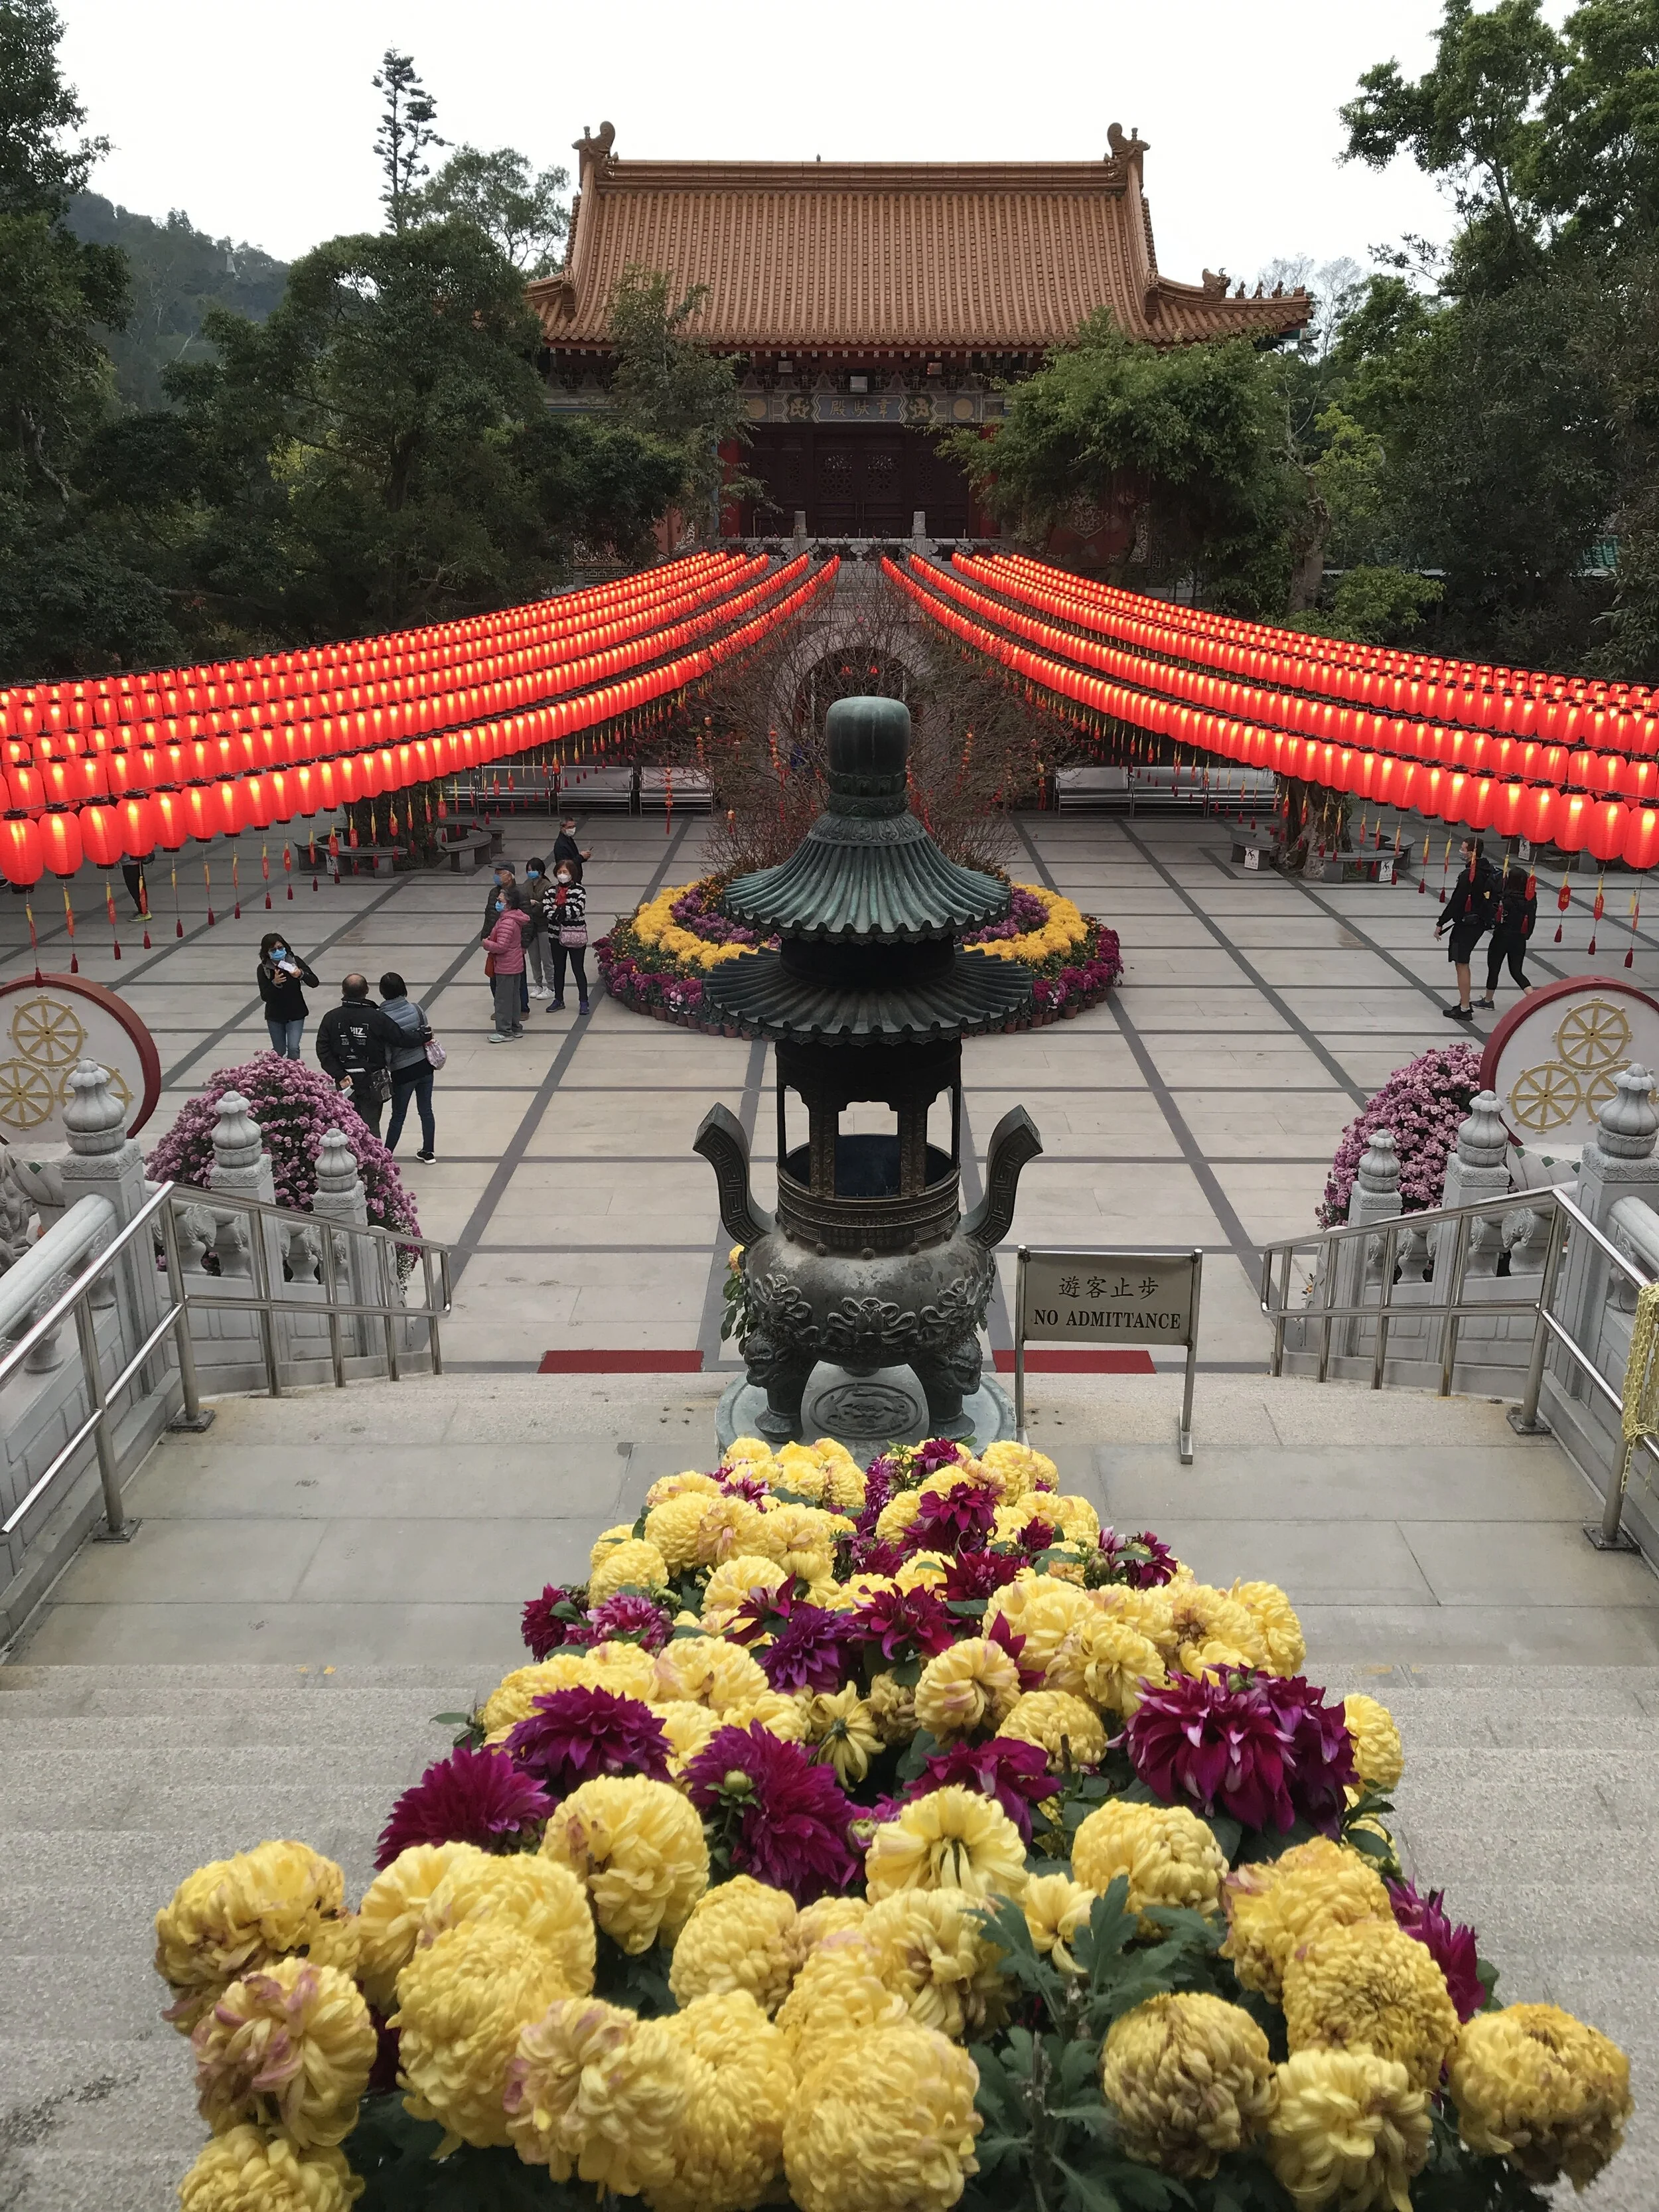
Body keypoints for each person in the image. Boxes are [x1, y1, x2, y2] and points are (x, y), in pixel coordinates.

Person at [315, 974, 403, 1135]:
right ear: (367, 991)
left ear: (343, 991)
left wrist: (339, 1074)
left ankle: (352, 1156)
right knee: (371, 1127)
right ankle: (374, 1158)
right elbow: (400, 1038)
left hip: (344, 1082)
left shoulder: (331, 1018)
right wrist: (424, 1036)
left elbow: (323, 1050)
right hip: (372, 1081)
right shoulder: (376, 1017)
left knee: (347, 1126)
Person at [1435, 836, 1498, 1021]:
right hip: (1479, 922)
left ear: (1472, 852)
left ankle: (1464, 1008)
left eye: (1463, 849)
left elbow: (1457, 901)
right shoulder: (1488, 869)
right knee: (1463, 961)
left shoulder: (1469, 876)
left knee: (1461, 963)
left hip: (1466, 923)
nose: (1461, 852)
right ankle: (1464, 1002)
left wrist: (1441, 922)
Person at [378, 973, 437, 1160]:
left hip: (402, 1072)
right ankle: (429, 1152)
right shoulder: (416, 1009)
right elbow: (426, 1033)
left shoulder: (382, 1017)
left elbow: (386, 1049)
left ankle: (387, 1155)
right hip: (425, 1066)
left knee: (398, 1116)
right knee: (426, 1110)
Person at [1478, 864, 1537, 1010]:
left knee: (1494, 968)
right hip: (1520, 939)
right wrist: (1527, 935)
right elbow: (1532, 919)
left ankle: (1488, 1000)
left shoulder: (1505, 898)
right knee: (1516, 971)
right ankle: (1534, 998)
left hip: (1502, 937)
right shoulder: (1531, 899)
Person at [256, 932, 321, 1059]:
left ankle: (294, 1075)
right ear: (267, 952)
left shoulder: (294, 962)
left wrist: (301, 974)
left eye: (280, 948)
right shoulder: (264, 969)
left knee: (293, 1048)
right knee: (278, 1051)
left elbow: (314, 982)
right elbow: (265, 996)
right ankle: (276, 1074)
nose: (278, 952)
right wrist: (275, 984)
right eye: (273, 950)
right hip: (275, 1016)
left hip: (296, 1013)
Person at [480, 861, 531, 1020]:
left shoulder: (519, 894)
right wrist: (486, 935)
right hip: (495, 941)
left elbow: (528, 921)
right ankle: (501, 1007)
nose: (496, 876)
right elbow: (489, 915)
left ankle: (522, 1008)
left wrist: (524, 944)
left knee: (518, 979)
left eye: (500, 872)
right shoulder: (493, 893)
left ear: (510, 876)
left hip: (513, 945)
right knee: (494, 978)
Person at [542, 862, 590, 1014]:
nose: (562, 874)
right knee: (559, 969)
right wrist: (559, 912)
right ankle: (558, 999)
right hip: (555, 936)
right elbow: (546, 910)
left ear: (572, 873)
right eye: (560, 871)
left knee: (578, 969)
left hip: (575, 935)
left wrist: (559, 910)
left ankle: (584, 1001)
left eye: (565, 871)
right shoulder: (551, 891)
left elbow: (577, 910)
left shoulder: (579, 890)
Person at [482, 893, 530, 1041]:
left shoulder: (506, 922)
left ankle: (504, 1031)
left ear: (508, 904)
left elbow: (502, 946)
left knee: (503, 999)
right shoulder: (514, 919)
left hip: (505, 965)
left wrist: (487, 943)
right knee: (514, 998)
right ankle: (515, 1027)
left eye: (500, 900)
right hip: (515, 964)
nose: (497, 902)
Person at [522, 857, 552, 998]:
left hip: (544, 925)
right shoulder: (526, 885)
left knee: (547, 958)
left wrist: (536, 904)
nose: (530, 873)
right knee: (534, 958)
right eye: (528, 870)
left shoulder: (548, 886)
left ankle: (551, 986)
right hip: (531, 926)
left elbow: (548, 905)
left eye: (532, 870)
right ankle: (538, 984)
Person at [553, 815, 591, 884]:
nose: (572, 829)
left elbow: (573, 856)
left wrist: (583, 857)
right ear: (562, 828)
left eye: (574, 827)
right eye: (569, 827)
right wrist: (581, 857)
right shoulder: (561, 845)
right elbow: (566, 864)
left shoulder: (569, 839)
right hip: (569, 880)